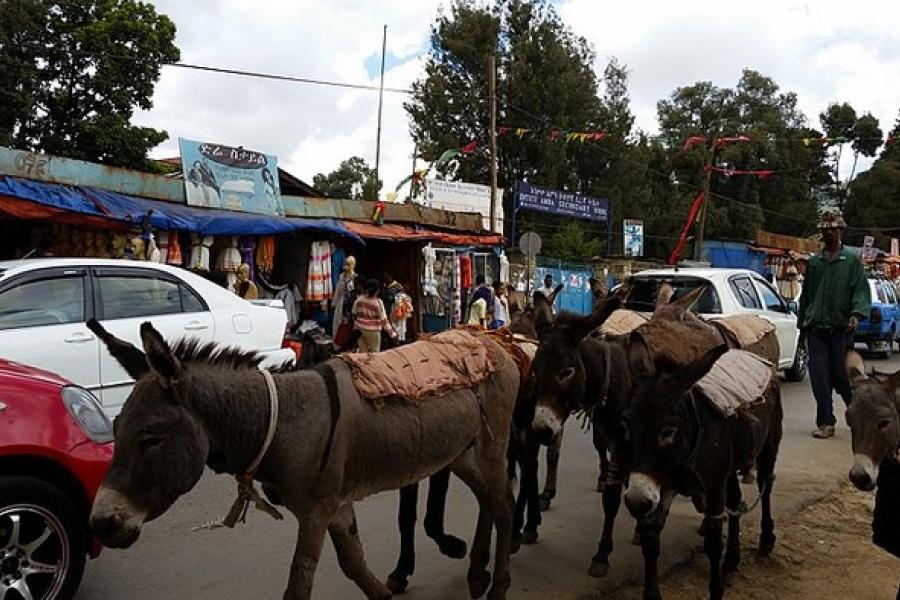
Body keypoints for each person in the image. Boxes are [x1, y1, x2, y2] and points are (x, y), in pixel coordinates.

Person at [797, 211, 871, 439]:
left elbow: (860, 292)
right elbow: (806, 297)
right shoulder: (815, 263)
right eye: (825, 230)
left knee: (842, 377)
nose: (828, 233)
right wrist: (803, 326)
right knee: (819, 378)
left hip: (841, 330)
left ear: (840, 232)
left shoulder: (850, 263)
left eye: (832, 229)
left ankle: (860, 417)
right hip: (816, 329)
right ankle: (825, 422)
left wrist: (856, 314)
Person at [352, 279, 397, 352]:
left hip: (359, 329)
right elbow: (384, 321)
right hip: (373, 331)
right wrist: (392, 334)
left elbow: (353, 314)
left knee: (362, 353)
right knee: (375, 354)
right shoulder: (378, 302)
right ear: (378, 290)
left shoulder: (359, 300)